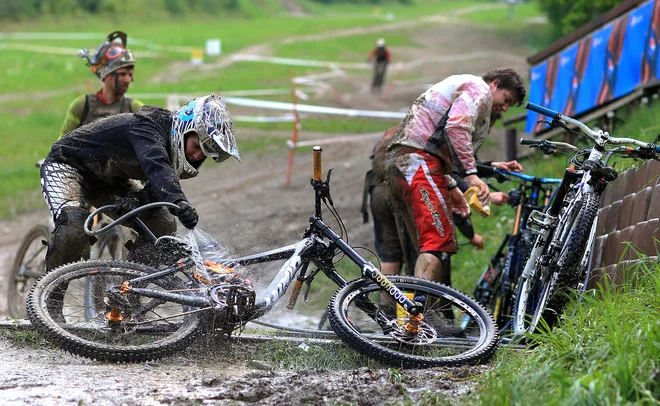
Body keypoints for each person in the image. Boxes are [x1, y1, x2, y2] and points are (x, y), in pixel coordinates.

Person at [40, 94, 240, 272]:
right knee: (74, 227)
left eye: (202, 155)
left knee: (162, 223)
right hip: (68, 165)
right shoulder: (149, 126)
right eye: (196, 146)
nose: (196, 156)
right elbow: (156, 165)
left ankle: (128, 292)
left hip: (108, 180)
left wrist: (138, 198)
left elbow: (156, 187)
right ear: (185, 129)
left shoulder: (176, 151)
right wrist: (179, 202)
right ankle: (50, 300)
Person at [385, 68, 526, 286]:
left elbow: (440, 139)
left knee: (426, 247)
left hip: (403, 164)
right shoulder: (479, 89)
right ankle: (418, 316)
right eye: (506, 99)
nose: (505, 108)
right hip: (418, 162)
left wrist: (451, 186)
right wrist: (472, 176)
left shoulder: (463, 86)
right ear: (494, 84)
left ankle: (417, 314)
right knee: (437, 243)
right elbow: (457, 127)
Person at [60, 31, 143, 137]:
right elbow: (60, 148)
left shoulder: (135, 109)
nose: (127, 79)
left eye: (130, 75)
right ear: (106, 75)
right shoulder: (82, 107)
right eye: (122, 74)